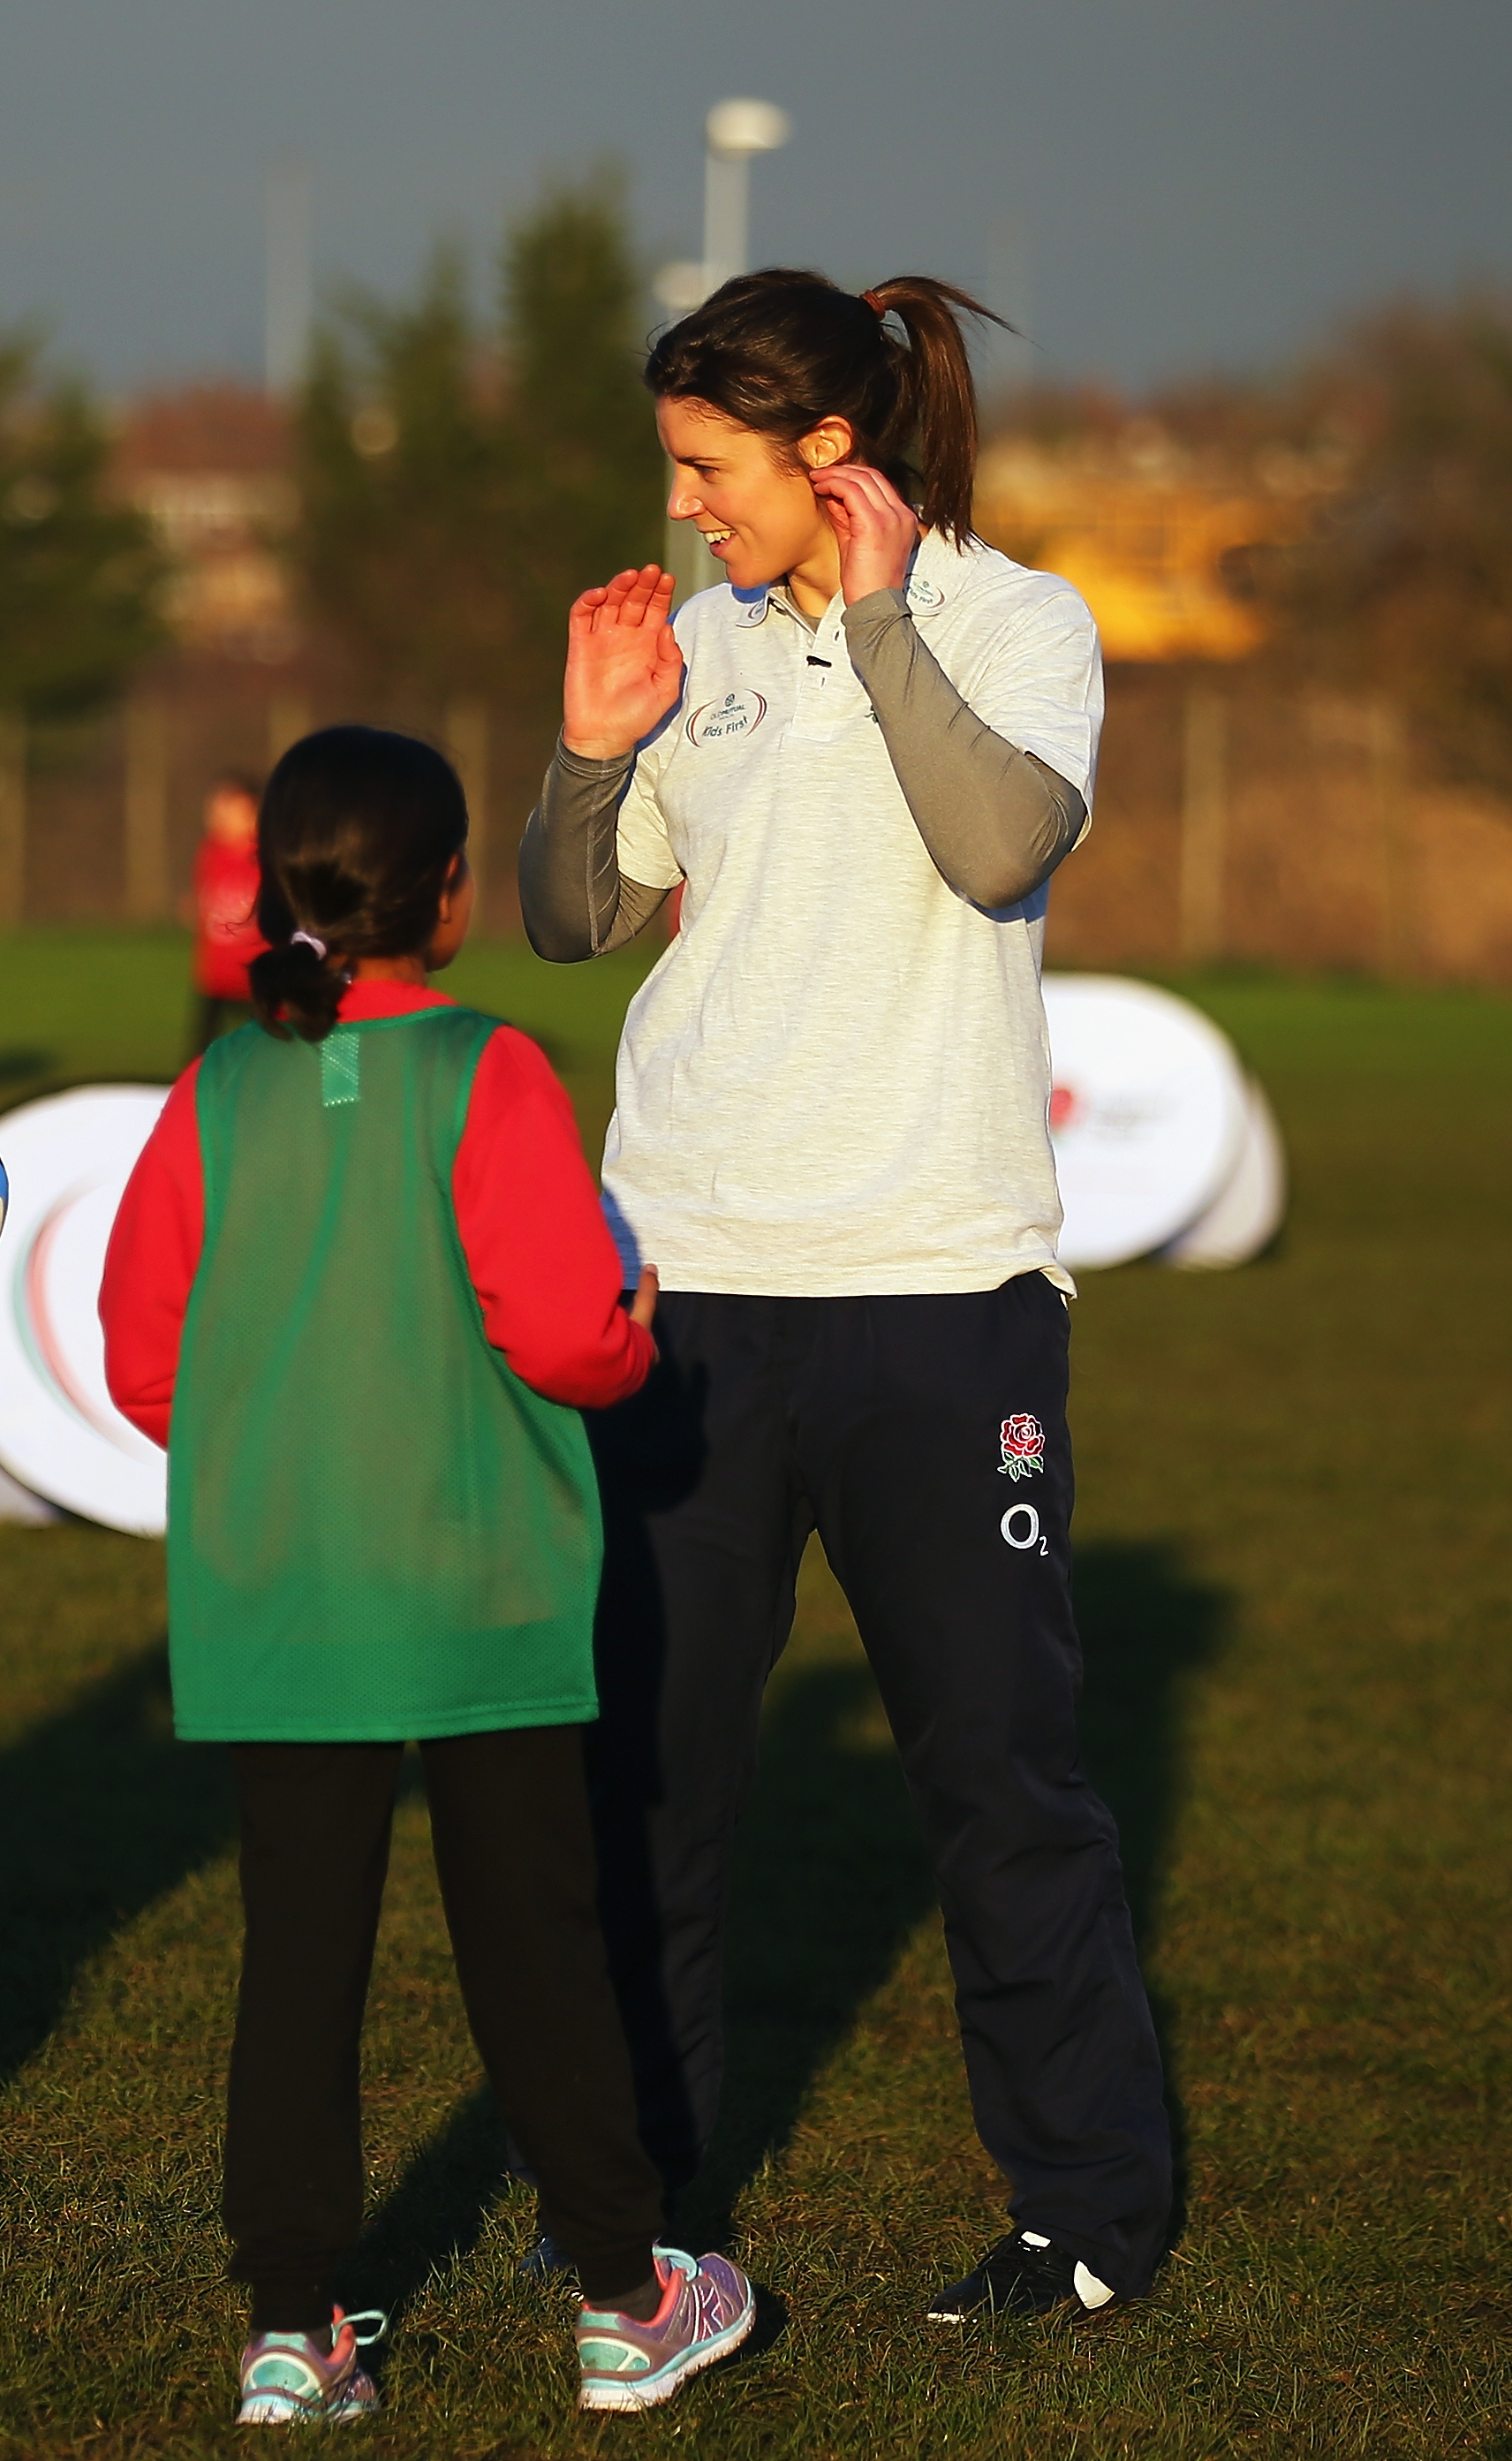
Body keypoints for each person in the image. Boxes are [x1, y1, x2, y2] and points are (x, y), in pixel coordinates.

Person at [521, 269, 1173, 2324]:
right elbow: (574, 918)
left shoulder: (1016, 621)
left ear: (829, 453)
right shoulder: (692, 642)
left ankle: (1085, 2216)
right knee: (652, 1783)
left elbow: (998, 857)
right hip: (688, 1289)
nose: (690, 510)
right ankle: (639, 2211)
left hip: (936, 1293)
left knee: (1000, 1778)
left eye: (711, 469)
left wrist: (883, 631)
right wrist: (580, 751)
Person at [99, 725, 757, 2427]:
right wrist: (630, 1346)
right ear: (449, 893)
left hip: (277, 1595)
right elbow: (556, 1327)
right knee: (533, 1950)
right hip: (477, 1588)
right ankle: (622, 2303)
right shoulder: (492, 1069)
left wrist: (274, 1436)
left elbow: (139, 1360)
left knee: (294, 1965)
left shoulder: (214, 1084)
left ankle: (288, 2333)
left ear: (269, 890)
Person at [186, 769, 265, 1055]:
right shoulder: (211, 852)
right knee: (200, 1054)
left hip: (255, 975)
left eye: (228, 808)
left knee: (261, 1050)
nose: (218, 816)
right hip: (216, 974)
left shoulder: (265, 854)